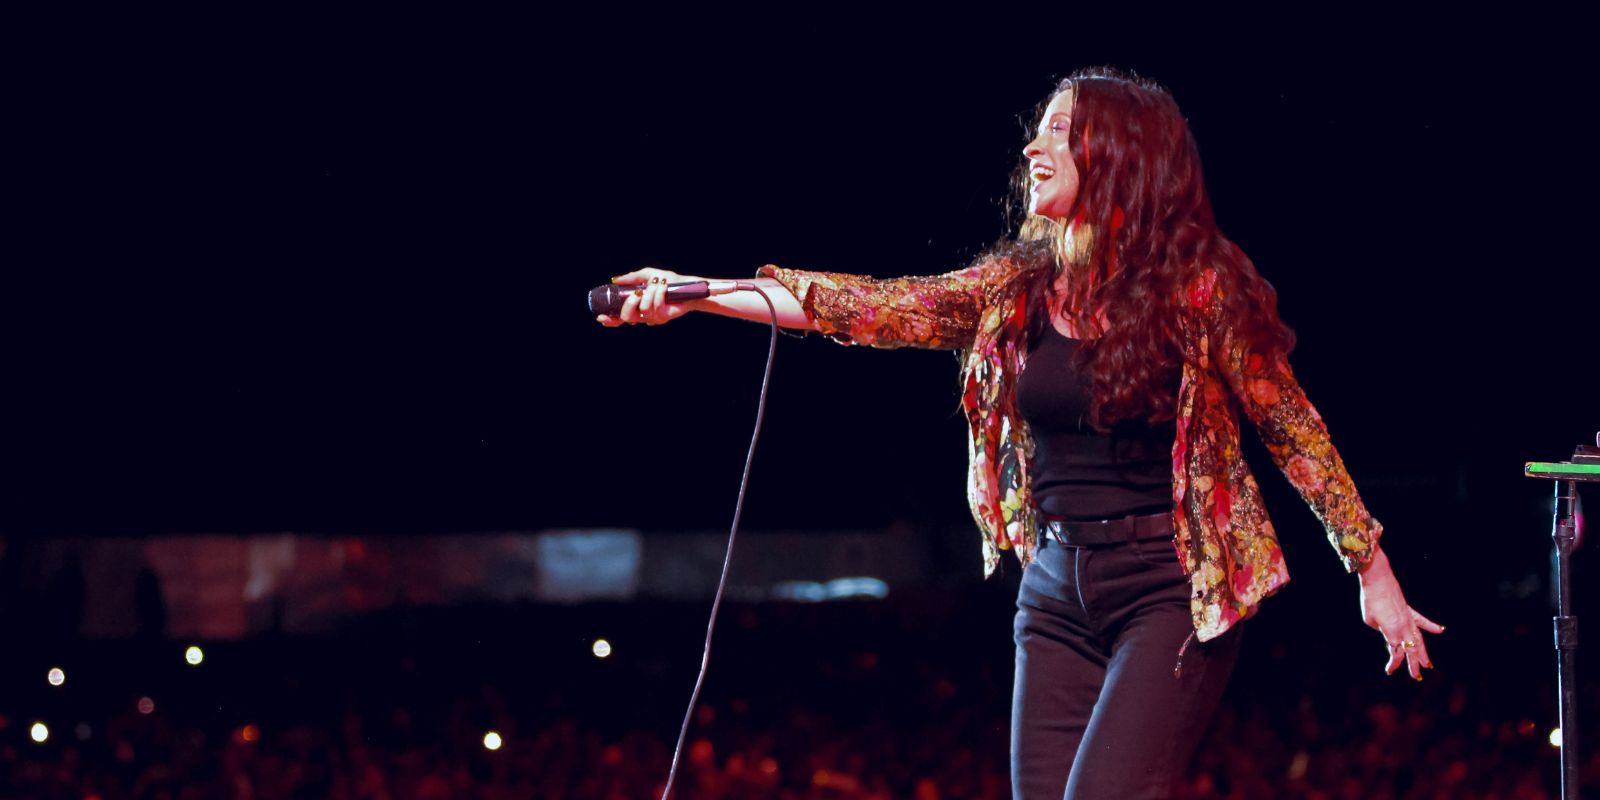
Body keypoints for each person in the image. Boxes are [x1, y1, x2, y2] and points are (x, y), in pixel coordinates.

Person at [596, 67, 1442, 799]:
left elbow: (1289, 424)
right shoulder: (1014, 289)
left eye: (1061, 132)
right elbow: (872, 307)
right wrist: (698, 292)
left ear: (1121, 155)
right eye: (1035, 133)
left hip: (1172, 591)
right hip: (1054, 590)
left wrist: (1372, 569)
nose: (1034, 148)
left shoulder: (1198, 291)